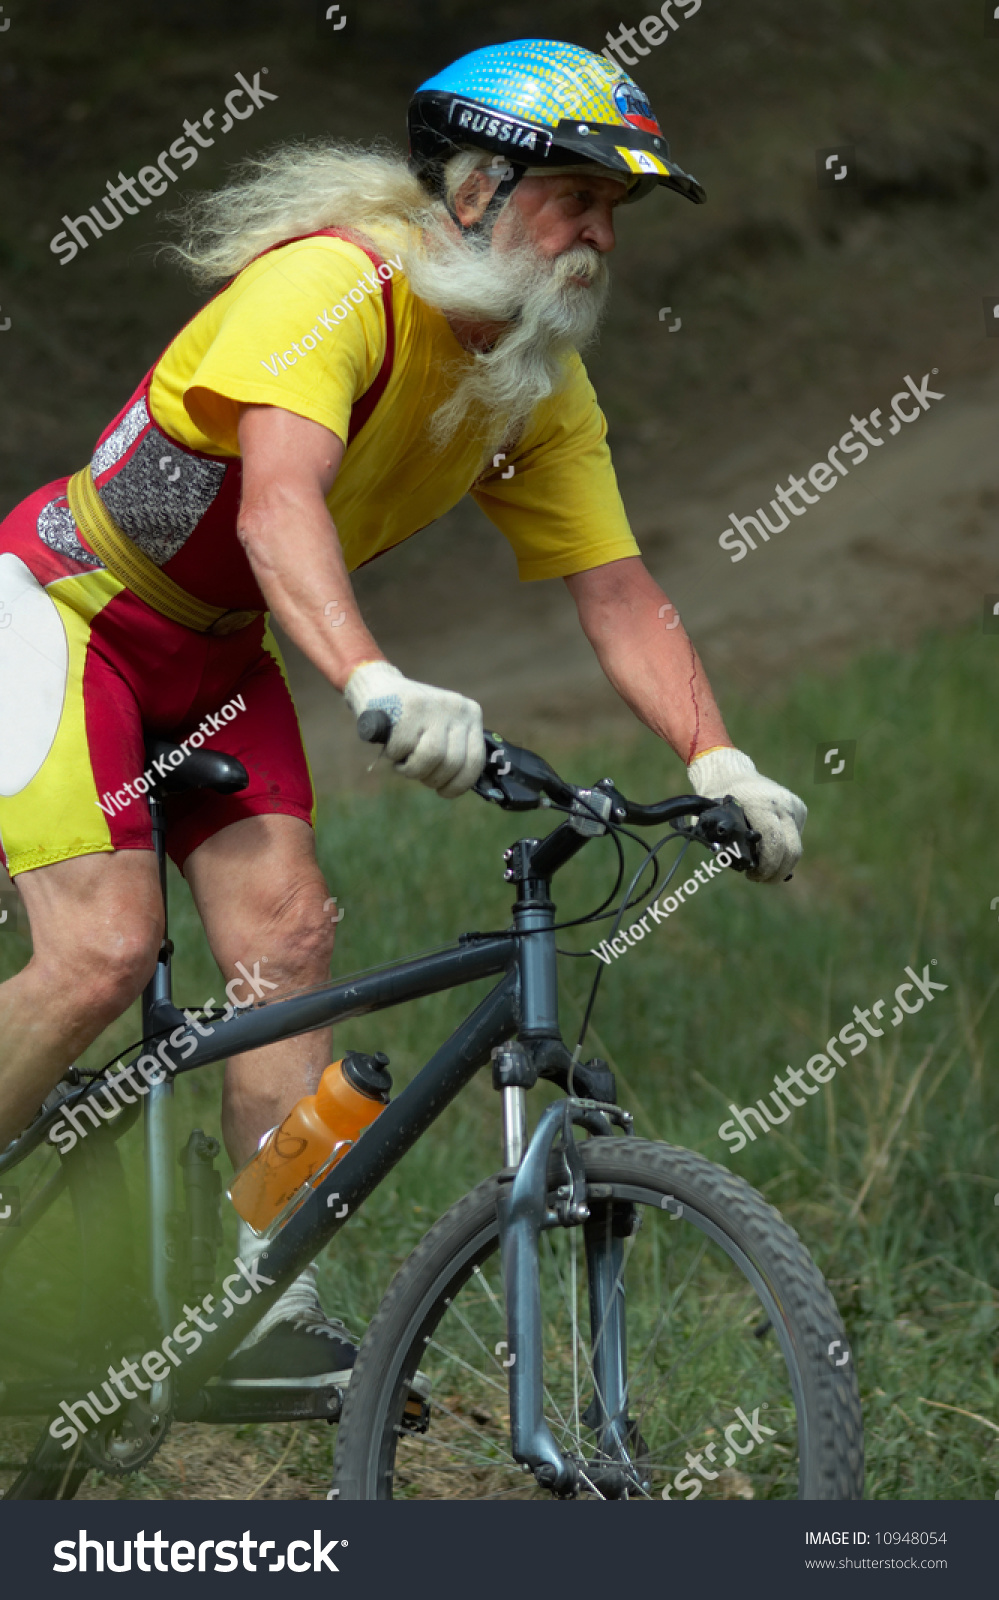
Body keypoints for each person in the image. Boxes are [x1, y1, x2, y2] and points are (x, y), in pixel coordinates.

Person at [0, 39, 806, 1383]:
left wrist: (715, 754)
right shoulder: (334, 288)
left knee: (287, 941)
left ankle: (244, 1316)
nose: (603, 236)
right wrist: (374, 680)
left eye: (616, 213)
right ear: (480, 187)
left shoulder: (534, 377)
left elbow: (617, 591)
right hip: (67, 606)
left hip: (216, 655)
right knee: (100, 951)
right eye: (580, 199)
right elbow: (277, 505)